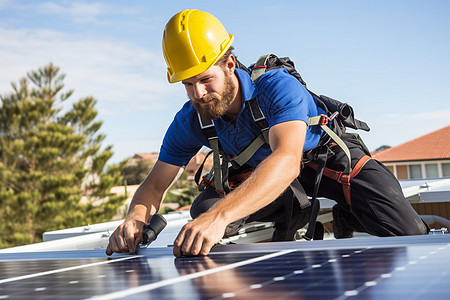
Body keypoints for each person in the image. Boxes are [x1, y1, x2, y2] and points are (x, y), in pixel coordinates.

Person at [106, 9, 428, 258]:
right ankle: (296, 212)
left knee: (410, 231)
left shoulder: (275, 87)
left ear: (230, 64)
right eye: (188, 84)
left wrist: (221, 216)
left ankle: (349, 214)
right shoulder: (192, 118)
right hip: (271, 179)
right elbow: (154, 184)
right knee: (202, 211)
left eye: (205, 80)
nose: (198, 93)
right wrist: (135, 219)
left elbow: (287, 160)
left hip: (324, 162)